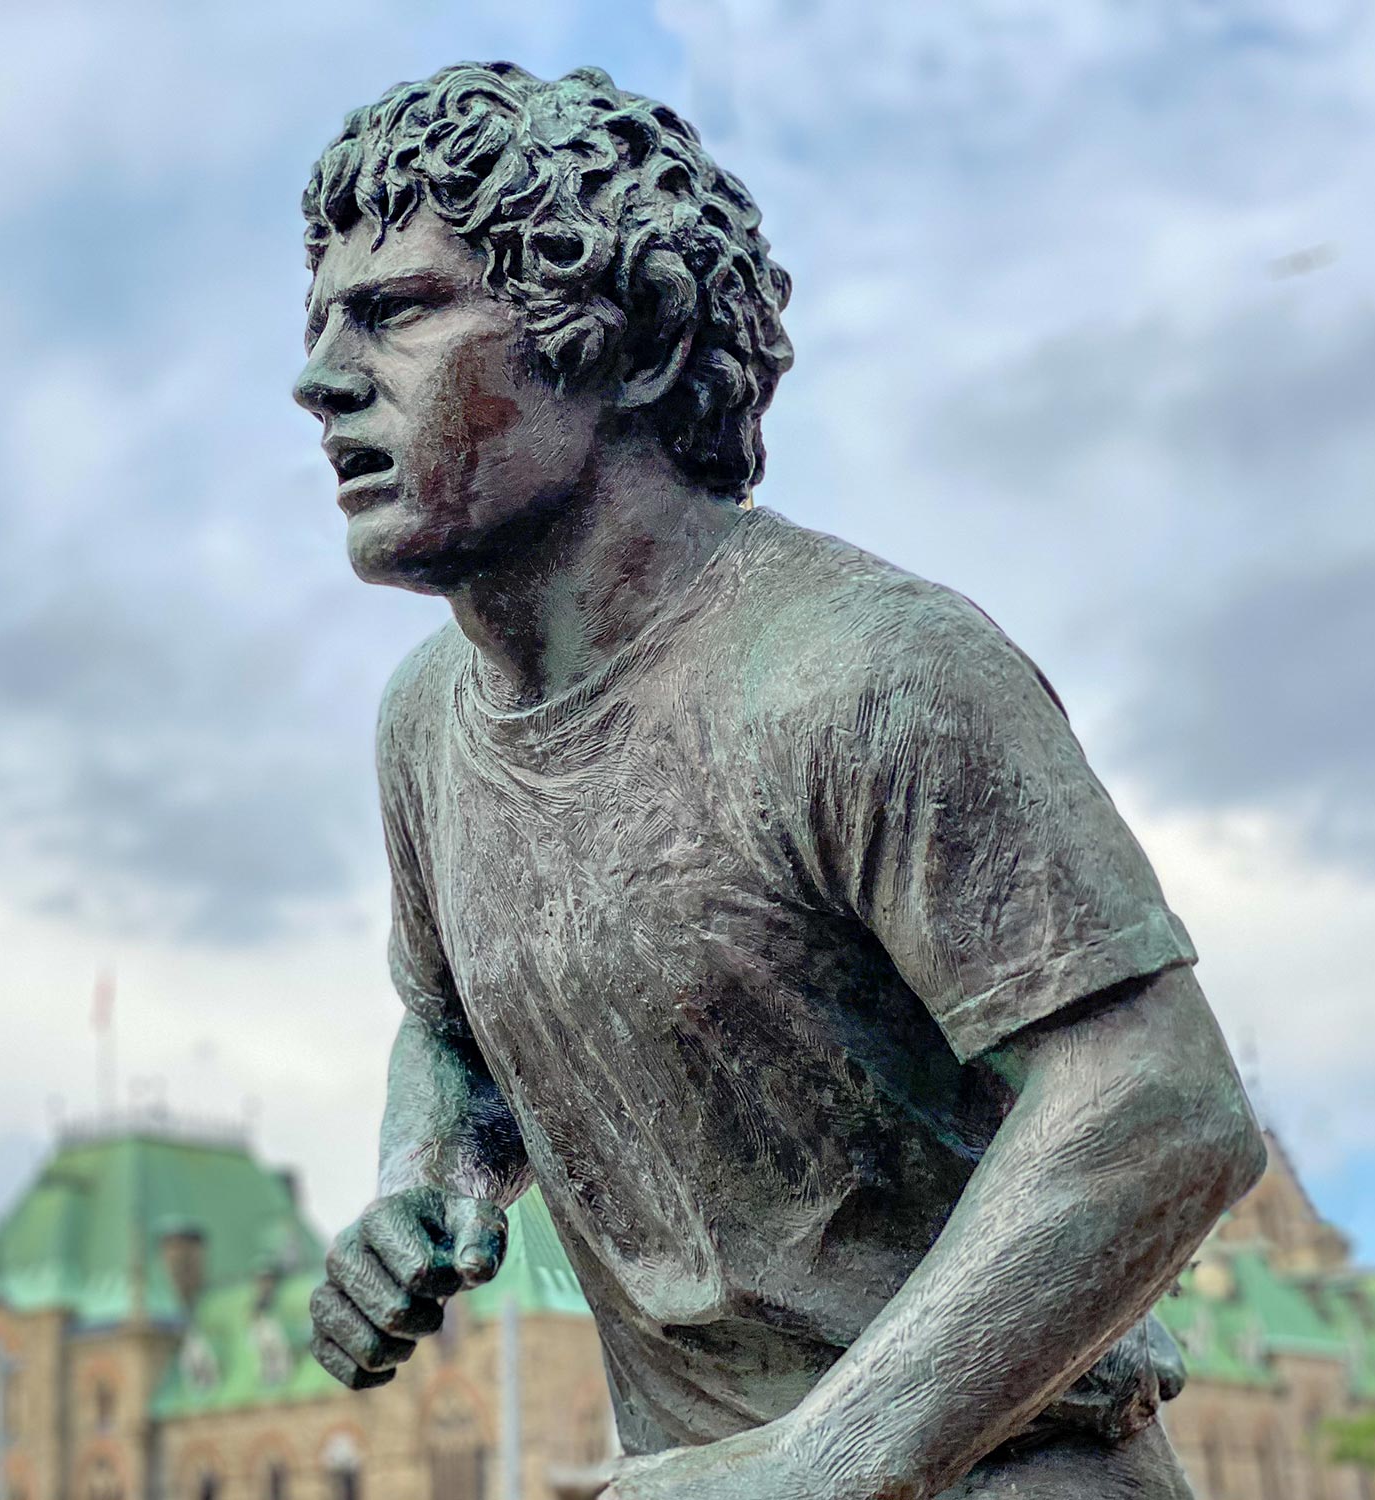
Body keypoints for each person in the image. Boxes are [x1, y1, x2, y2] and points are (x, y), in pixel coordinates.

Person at [292, 62, 1264, 1499]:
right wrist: (427, 1181)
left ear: (628, 346)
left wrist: (832, 1457)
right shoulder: (427, 724)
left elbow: (1163, 1100)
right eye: (320, 319)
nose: (320, 377)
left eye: (400, 312)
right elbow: (452, 1028)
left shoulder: (865, 671)